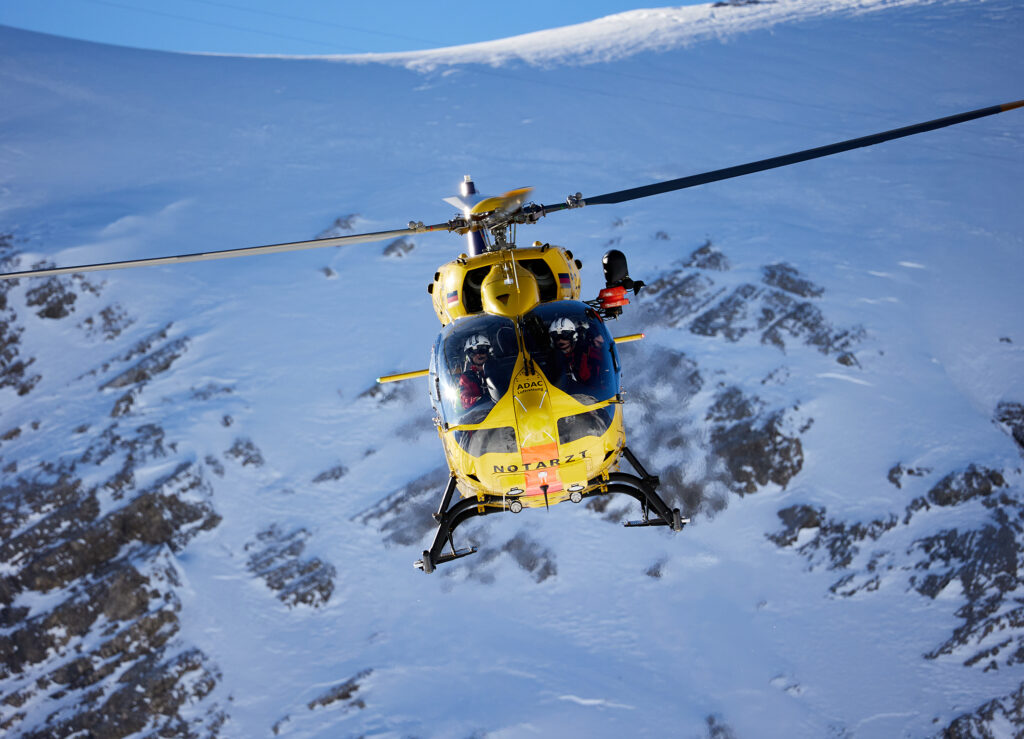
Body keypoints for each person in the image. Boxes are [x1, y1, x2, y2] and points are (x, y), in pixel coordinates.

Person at [459, 333, 491, 409]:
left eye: (481, 351)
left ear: (488, 352)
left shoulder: (498, 367)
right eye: (473, 353)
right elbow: (465, 399)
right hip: (483, 414)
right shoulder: (467, 377)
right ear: (469, 357)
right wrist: (480, 401)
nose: (478, 355)